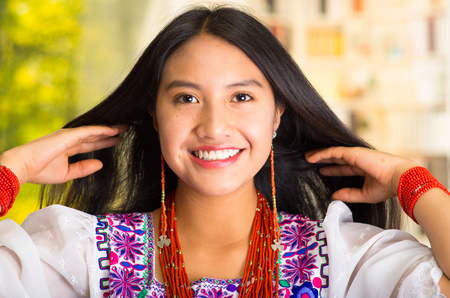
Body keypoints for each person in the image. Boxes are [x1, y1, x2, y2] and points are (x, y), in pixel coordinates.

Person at [0, 5, 449, 298]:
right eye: (186, 98)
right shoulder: (86, 256)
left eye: (242, 97)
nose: (214, 127)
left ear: (277, 114)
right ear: (155, 116)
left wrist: (411, 181)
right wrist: (12, 168)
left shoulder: (339, 258)